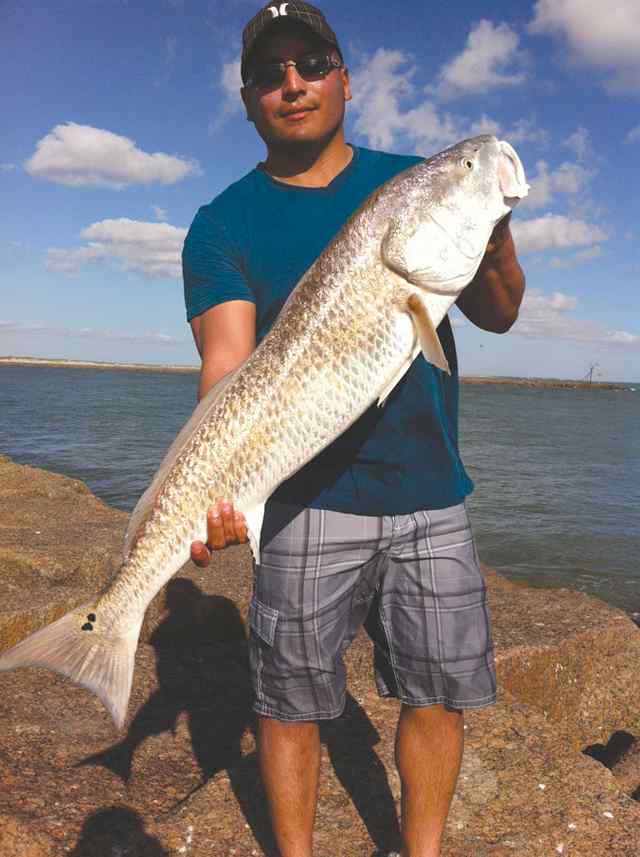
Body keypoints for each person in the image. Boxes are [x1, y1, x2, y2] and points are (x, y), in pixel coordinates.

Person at [181, 3, 526, 855]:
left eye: (310, 63)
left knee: (436, 693)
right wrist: (209, 487)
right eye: (270, 73)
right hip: (300, 498)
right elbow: (228, 366)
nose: (291, 84)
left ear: (344, 77)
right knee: (290, 700)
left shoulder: (411, 184)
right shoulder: (222, 223)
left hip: (429, 485)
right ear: (248, 97)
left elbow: (500, 312)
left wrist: (491, 224)